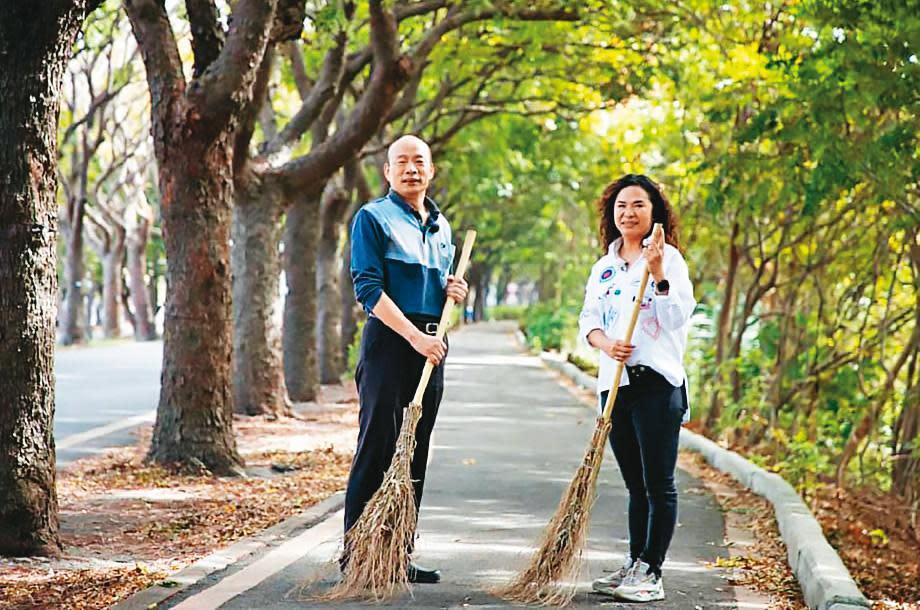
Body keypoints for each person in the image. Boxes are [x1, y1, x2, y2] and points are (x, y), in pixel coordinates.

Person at [344, 134, 468, 584]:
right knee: (378, 445)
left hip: (431, 346)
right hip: (391, 344)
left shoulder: (441, 226)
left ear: (432, 170)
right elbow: (369, 290)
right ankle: (357, 555)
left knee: (414, 449)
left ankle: (397, 553)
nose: (411, 168)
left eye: (420, 161)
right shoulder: (372, 218)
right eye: (402, 162)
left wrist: (453, 293)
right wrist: (415, 337)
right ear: (388, 172)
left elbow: (435, 293)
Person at [578, 174, 696, 602]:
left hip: (656, 386)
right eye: (622, 206)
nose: (629, 213)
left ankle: (652, 571)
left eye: (639, 206)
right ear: (613, 213)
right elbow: (588, 319)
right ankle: (635, 562)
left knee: (658, 482)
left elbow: (677, 317)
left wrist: (660, 273)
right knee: (635, 484)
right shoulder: (604, 267)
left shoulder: (671, 261)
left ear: (655, 214)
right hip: (616, 386)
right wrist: (607, 343)